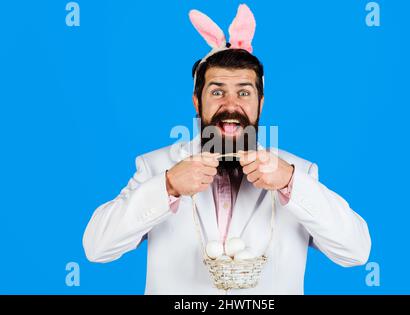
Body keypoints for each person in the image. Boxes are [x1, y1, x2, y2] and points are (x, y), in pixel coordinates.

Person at [83, 4, 371, 295]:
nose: (231, 105)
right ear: (197, 101)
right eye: (217, 92)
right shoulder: (158, 167)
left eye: (244, 92)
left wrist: (290, 182)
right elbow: (96, 247)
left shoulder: (298, 172)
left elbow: (356, 251)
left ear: (260, 103)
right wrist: (167, 186)